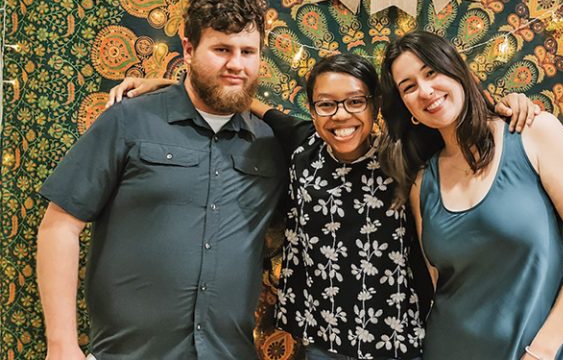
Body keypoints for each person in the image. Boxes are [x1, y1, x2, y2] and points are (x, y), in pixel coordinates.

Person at [108, 54, 540, 360]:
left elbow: (455, 119)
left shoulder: (405, 153)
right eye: (326, 104)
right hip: (322, 337)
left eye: (355, 101)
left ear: (374, 105)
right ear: (312, 108)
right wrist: (169, 87)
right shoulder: (300, 143)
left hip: (397, 337)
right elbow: (243, 101)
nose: (341, 115)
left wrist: (509, 105)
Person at [36, 0, 287, 360]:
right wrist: (61, 346)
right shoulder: (128, 120)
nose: (237, 64)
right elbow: (59, 226)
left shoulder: (270, 145)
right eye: (222, 50)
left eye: (248, 52)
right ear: (188, 50)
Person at [378, 31, 563, 360]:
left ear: (458, 71)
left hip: (531, 354)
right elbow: (437, 283)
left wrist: (542, 352)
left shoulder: (534, 132)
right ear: (408, 109)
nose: (425, 90)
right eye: (409, 86)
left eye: (431, 72)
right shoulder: (422, 182)